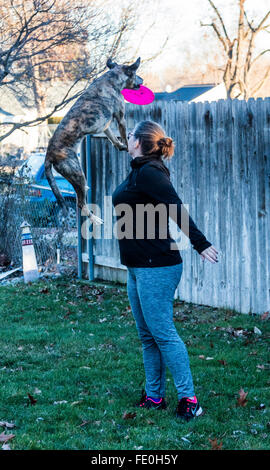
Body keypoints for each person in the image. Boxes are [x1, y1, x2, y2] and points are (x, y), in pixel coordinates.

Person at [112, 120, 218, 422]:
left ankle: (190, 400)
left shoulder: (149, 173)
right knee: (148, 337)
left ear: (139, 142)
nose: (127, 137)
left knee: (164, 335)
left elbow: (175, 208)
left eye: (131, 134)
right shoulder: (139, 170)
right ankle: (154, 396)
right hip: (137, 266)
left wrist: (200, 243)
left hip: (156, 266)